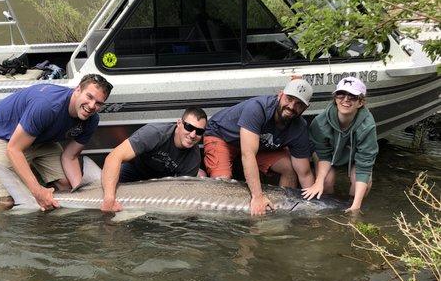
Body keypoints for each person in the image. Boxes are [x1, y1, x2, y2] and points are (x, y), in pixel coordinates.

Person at [0, 73, 113, 211]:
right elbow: (13, 150)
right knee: (7, 202)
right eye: (89, 97)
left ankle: (50, 224)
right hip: (6, 134)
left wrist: (82, 195)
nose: (92, 106)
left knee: (66, 185)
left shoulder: (92, 120)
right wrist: (38, 191)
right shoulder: (48, 105)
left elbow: (70, 157)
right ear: (77, 90)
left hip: (43, 138)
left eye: (99, 103)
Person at [203, 78, 314, 216]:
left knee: (289, 168)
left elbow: (305, 173)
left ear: (306, 107)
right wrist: (257, 196)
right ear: (280, 94)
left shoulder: (300, 127)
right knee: (223, 187)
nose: (291, 106)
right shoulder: (258, 107)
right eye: (289, 99)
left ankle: (282, 213)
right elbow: (248, 154)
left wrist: (314, 207)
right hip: (222, 136)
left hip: (258, 145)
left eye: (299, 104)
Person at [101, 107, 207, 212]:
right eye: (188, 127)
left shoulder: (194, 159)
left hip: (160, 185)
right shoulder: (155, 133)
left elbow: (181, 193)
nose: (193, 135)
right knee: (107, 189)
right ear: (179, 123)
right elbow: (114, 157)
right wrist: (109, 198)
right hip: (133, 171)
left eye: (199, 131)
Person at [302, 76, 378, 213]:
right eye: (341, 94)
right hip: (328, 156)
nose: (346, 100)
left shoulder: (368, 126)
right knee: (326, 182)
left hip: (354, 157)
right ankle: (327, 210)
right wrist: (318, 182)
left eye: (352, 96)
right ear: (335, 98)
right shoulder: (320, 122)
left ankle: (350, 207)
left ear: (360, 102)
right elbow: (323, 155)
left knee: (362, 187)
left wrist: (356, 207)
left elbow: (364, 165)